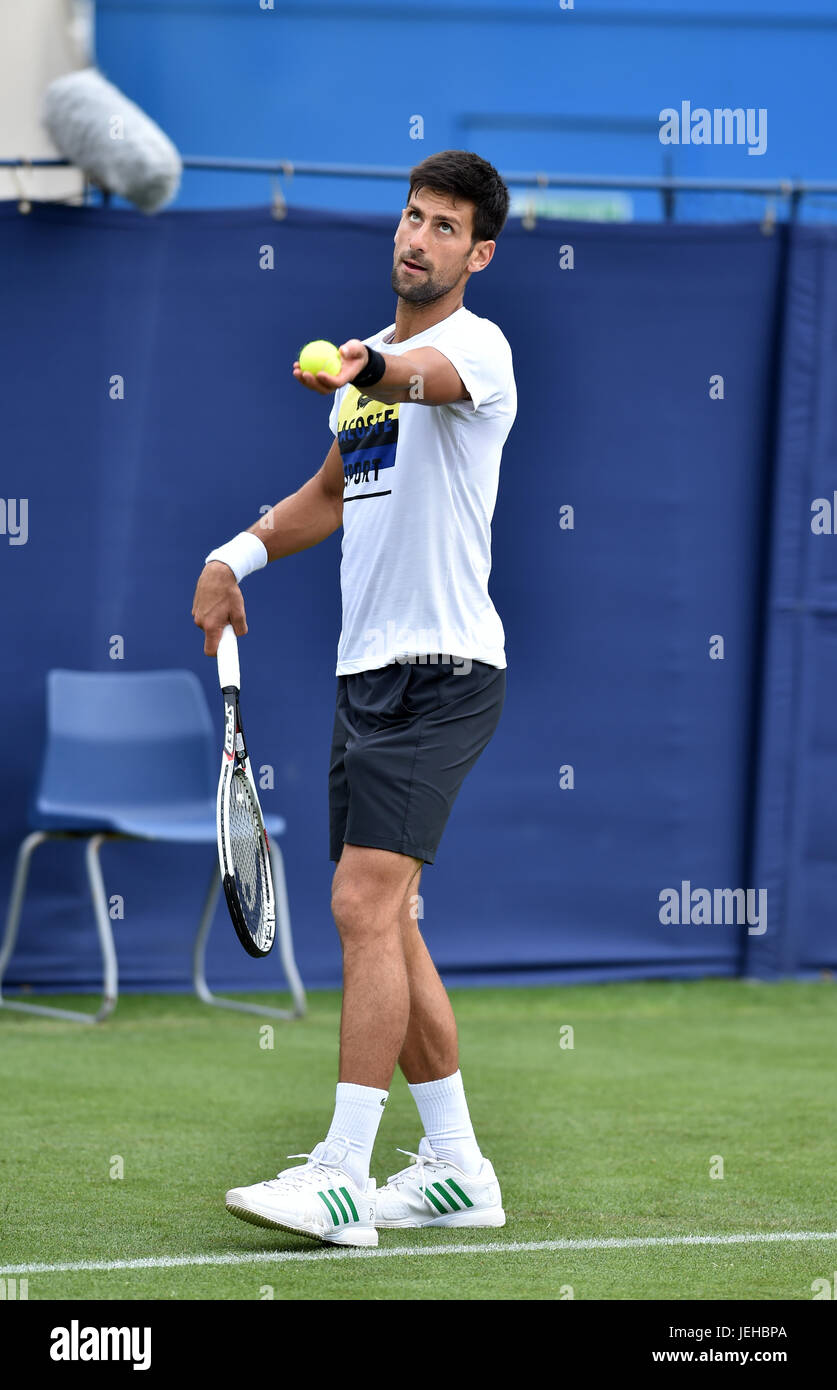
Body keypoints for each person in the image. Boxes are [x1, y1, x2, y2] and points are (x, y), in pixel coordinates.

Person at [192, 149, 517, 1248]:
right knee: (393, 917)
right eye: (412, 217)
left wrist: (361, 362)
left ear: (477, 253)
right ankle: (461, 1169)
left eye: (444, 227)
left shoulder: (472, 350)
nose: (418, 237)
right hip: (363, 674)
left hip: (447, 672)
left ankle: (341, 1174)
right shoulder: (359, 382)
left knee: (360, 908)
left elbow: (410, 380)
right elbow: (326, 496)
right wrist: (235, 553)